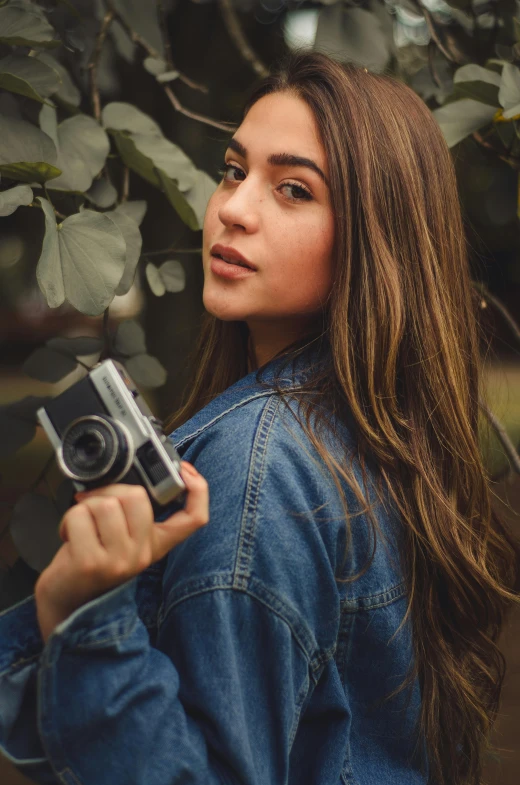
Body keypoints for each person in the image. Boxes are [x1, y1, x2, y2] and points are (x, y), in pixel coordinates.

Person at [0, 49, 518, 785]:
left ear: (376, 239)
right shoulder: (378, 440)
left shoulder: (260, 465)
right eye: (236, 170)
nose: (234, 209)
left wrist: (84, 613)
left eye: (294, 190)